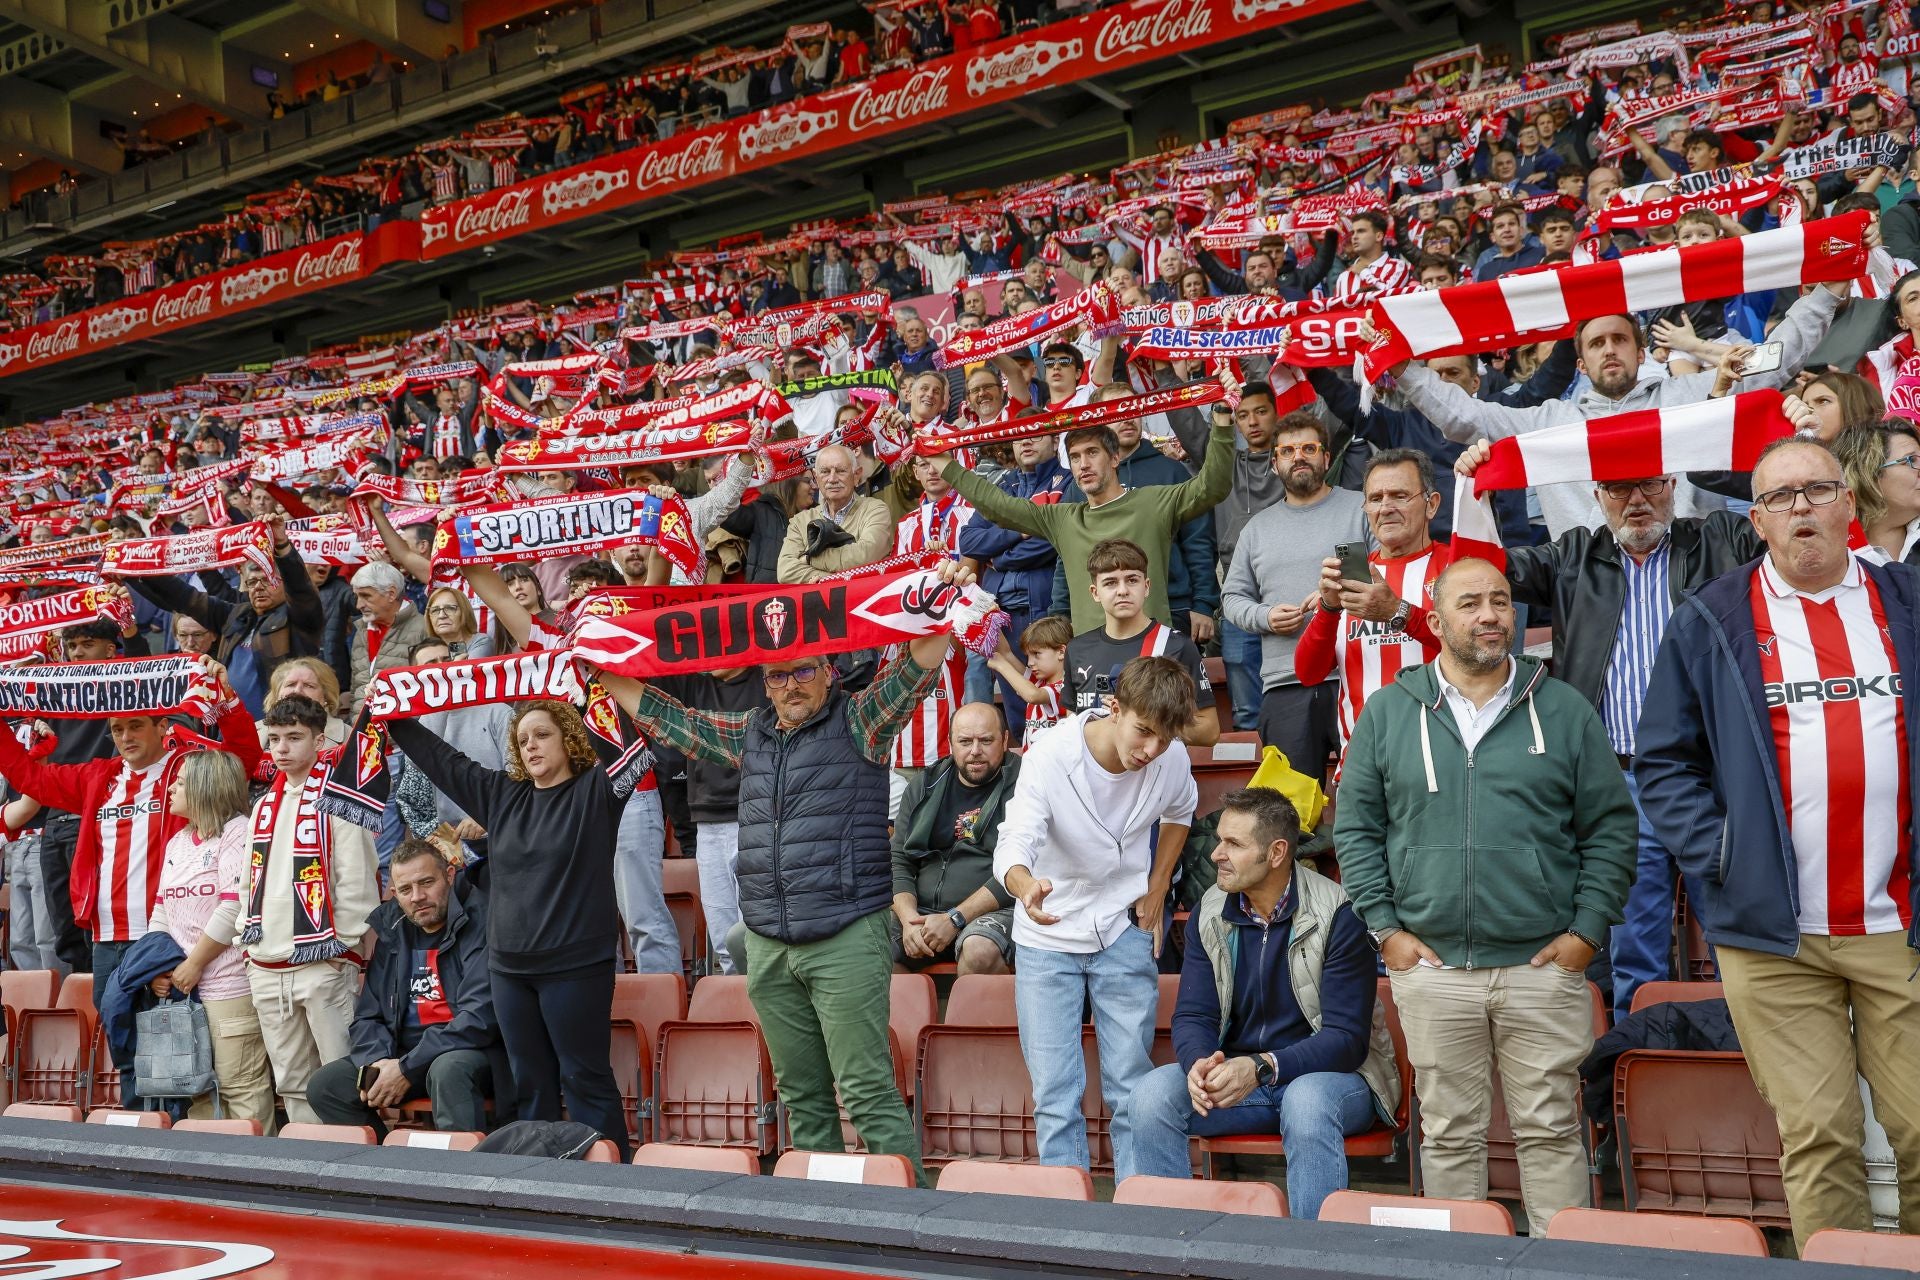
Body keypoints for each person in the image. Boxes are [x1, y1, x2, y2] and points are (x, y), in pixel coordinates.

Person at [604, 558, 986, 1186]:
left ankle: (914, 1219)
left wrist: (936, 596)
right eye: (777, 675)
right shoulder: (748, 733)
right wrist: (606, 663)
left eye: (802, 671)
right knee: (802, 1097)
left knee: (865, 1092)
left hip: (845, 938)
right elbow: (674, 721)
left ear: (828, 671)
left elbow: (919, 664)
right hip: (771, 944)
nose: (788, 686)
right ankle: (830, 1223)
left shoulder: (860, 721)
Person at [1636, 438, 1920, 1246]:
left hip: (1901, 924)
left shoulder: (1907, 601)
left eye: (1818, 490)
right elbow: (1663, 764)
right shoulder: (1710, 619)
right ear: (1755, 520)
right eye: (1781, 497)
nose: (1802, 507)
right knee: (1821, 1137)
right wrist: (1727, 859)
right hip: (1774, 937)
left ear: (1849, 505)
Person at [1334, 557, 1635, 1231]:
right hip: (1434, 968)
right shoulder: (1387, 713)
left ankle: (1565, 1269)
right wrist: (1389, 932)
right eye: (1470, 603)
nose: (1491, 614)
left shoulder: (1561, 709)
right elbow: (1355, 832)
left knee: (1553, 1131)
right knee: (1447, 1134)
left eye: (1500, 601)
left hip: (1542, 967)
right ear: (1435, 621)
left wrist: (1586, 934)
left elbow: (1612, 830)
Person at [1452, 437, 1765, 1011]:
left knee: (1734, 940)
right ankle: (1634, 1071)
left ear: (1675, 486)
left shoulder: (1720, 538)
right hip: (1618, 783)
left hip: (1712, 781)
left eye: (1650, 483)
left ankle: (1748, 1071)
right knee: (1634, 947)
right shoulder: (1571, 555)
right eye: (1620, 487)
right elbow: (1484, 570)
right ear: (1597, 495)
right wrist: (1473, 490)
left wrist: (1754, 435)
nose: (1636, 499)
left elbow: (1780, 509)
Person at [1127, 788, 1399, 1219]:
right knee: (1150, 1096)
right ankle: (1170, 1244)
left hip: (1332, 1082)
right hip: (1241, 1080)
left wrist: (1262, 1066)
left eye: (1234, 844)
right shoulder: (1209, 912)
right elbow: (1195, 1013)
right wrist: (1199, 1063)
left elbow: (1347, 1041)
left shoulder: (1340, 913)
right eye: (1219, 840)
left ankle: (1314, 1258)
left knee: (1306, 1101)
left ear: (1276, 852)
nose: (1216, 854)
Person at [383, 694, 632, 1158]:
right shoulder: (503, 794)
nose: (531, 746)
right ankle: (534, 1189)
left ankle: (611, 1185)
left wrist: (605, 683)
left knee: (584, 1079)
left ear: (569, 739)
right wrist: (393, 716)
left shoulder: (597, 791)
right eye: (522, 740)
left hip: (575, 968)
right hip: (511, 972)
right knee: (529, 1084)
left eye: (542, 735)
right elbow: (443, 761)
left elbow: (631, 749)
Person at [992, 655, 1198, 1181]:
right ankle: (1066, 1220)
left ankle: (1136, 1210)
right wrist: (1023, 886)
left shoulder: (1170, 757)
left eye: (1164, 740)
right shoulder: (1051, 754)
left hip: (1123, 926)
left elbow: (1181, 811)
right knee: (1055, 1091)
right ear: (1114, 707)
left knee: (1131, 1084)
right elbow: (1016, 837)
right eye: (1143, 732)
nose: (1150, 750)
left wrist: (1157, 890)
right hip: (1048, 930)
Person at [0, 657, 260, 1046]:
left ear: (162, 726)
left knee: (173, 1050)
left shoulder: (187, 772)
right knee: (120, 1048)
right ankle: (129, 1112)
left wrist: (226, 700)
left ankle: (168, 1113)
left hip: (166, 936)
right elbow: (28, 777)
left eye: (136, 725)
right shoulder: (97, 777)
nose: (125, 737)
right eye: (117, 729)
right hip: (106, 937)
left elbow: (243, 755)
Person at [941, 409, 1235, 634]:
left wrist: (1221, 420)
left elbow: (1213, 487)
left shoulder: (1154, 501)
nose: (1083, 465)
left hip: (1153, 650)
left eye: (1092, 453)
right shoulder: (1063, 517)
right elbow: (998, 507)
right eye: (1075, 457)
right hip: (1090, 659)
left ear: (1115, 458)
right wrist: (943, 462)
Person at [237, 694, 381, 1124]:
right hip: (266, 963)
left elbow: (357, 882)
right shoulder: (262, 806)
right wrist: (247, 950)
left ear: (320, 740)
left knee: (340, 1077)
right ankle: (302, 1166)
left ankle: (352, 1171)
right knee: (290, 1080)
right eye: (275, 738)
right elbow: (247, 885)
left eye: (294, 737)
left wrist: (343, 950)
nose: (282, 748)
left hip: (322, 961)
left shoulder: (340, 799)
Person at [307, 839, 500, 1138]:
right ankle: (387, 1173)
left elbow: (479, 1018)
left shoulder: (479, 922)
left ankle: (464, 1178)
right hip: (403, 1056)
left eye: (427, 883)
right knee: (327, 1085)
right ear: (395, 894)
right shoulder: (393, 932)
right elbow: (368, 1017)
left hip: (466, 1053)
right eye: (406, 890)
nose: (418, 897)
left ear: (449, 876)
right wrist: (382, 1064)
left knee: (448, 1070)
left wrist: (407, 1067)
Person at [1220, 410, 1368, 771]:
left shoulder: (1360, 507)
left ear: (1326, 458)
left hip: (1356, 675)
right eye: (1287, 451)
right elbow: (1232, 598)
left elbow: (1383, 570)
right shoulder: (1257, 529)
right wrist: (1265, 617)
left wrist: (1334, 594)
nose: (1298, 456)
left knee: (1373, 795)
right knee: (1290, 811)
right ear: (1274, 464)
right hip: (1285, 683)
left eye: (1308, 448)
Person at [142, 749, 274, 1128]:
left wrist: (195, 963)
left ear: (205, 787)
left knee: (241, 1091)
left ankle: (263, 1178)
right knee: (195, 1089)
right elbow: (162, 911)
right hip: (183, 990)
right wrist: (160, 968)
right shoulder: (178, 842)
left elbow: (234, 908)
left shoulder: (238, 832)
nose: (171, 788)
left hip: (229, 988)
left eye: (181, 782)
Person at [1292, 448, 1446, 762]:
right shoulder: (1355, 573)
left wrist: (1396, 612)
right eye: (1376, 499)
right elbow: (1308, 673)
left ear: (1431, 505)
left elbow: (1473, 650)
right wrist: (1329, 607)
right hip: (1364, 765)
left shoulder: (1456, 566)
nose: (1386, 508)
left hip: (1442, 757)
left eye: (1400, 496)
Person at [126, 517, 324, 715]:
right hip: (231, 724)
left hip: (278, 726)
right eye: (252, 582)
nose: (258, 587)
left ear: (284, 584)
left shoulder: (299, 617)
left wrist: (282, 545)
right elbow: (185, 597)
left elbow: (300, 588)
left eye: (267, 580)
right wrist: (131, 566)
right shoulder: (237, 614)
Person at [891, 703, 1020, 976]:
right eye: (965, 741)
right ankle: (913, 1021)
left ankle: (986, 1020)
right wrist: (908, 919)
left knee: (978, 950)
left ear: (1005, 740)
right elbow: (898, 860)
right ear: (950, 743)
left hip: (996, 910)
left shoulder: (1026, 783)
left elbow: (1022, 866)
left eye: (986, 740)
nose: (975, 751)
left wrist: (955, 919)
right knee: (866, 946)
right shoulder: (924, 785)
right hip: (921, 911)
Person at [1065, 539, 1218, 745]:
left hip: (1157, 769)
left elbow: (1209, 732)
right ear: (1095, 593)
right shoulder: (1077, 649)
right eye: (1110, 582)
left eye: (1132, 580)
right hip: (1095, 773)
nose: (1122, 590)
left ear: (1146, 587)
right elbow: (1070, 726)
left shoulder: (1175, 645)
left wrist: (1141, 718)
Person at [776, 444, 894, 583]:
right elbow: (785, 571)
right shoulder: (800, 521)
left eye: (841, 471)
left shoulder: (875, 510)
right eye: (825, 471)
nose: (832, 479)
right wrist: (833, 579)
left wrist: (809, 559)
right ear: (815, 477)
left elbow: (865, 556)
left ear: (856, 475)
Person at [349, 562, 431, 712]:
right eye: (357, 596)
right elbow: (357, 689)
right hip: (362, 732)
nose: (359, 605)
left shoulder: (425, 629)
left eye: (366, 596)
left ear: (391, 594)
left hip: (403, 732)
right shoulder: (361, 630)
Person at [986, 614, 1071, 746]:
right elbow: (1006, 653)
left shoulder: (1066, 686)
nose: (1030, 662)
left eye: (1037, 654)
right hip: (1033, 761)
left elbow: (1033, 695)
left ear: (1061, 652)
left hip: (1053, 764)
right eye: (1028, 656)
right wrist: (991, 620)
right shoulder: (1038, 681)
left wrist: (1002, 666)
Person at [259, 657, 351, 748]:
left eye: (309, 686)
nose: (297, 691)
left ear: (326, 697)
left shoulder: (350, 736)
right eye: (290, 684)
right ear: (276, 694)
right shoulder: (252, 731)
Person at [423, 587, 492, 660]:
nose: (442, 616)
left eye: (450, 608)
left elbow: (463, 670)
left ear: (464, 612)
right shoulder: (425, 650)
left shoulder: (481, 641)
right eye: (435, 610)